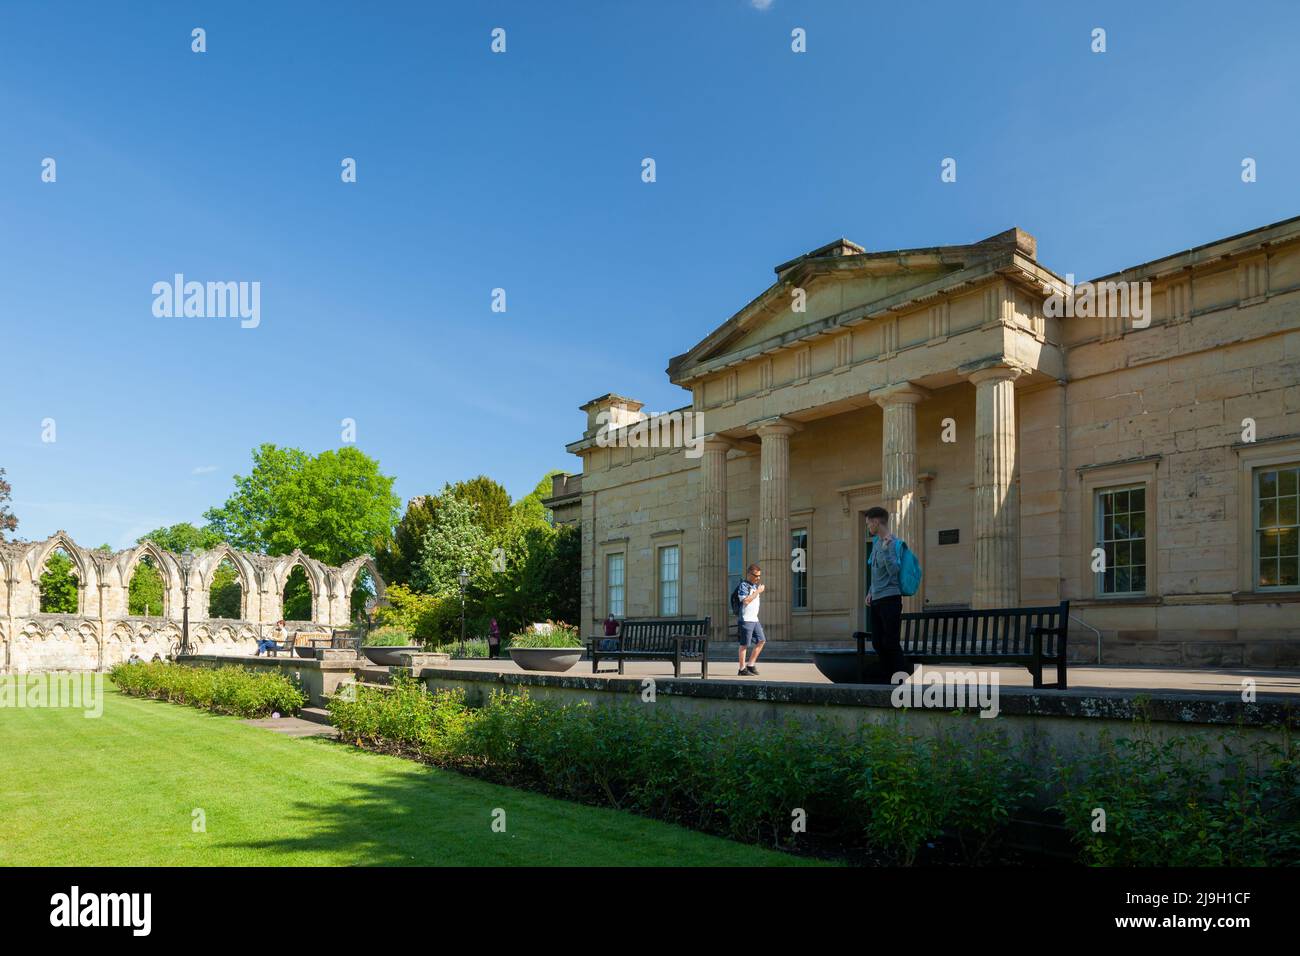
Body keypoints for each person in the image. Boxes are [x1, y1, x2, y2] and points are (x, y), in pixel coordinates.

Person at [864, 506, 911, 683]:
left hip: (890, 599)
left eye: (869, 524)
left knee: (890, 643)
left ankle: (900, 681)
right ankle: (887, 678)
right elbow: (877, 572)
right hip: (877, 599)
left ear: (876, 522)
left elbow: (894, 570)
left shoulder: (891, 542)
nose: (868, 527)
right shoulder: (876, 542)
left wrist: (885, 549)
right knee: (877, 642)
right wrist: (870, 592)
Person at [734, 563, 766, 676]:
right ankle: (742, 669)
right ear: (749, 574)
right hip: (746, 619)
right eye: (756, 575)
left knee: (761, 640)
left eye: (759, 576)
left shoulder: (755, 586)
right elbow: (746, 601)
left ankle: (751, 665)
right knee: (744, 644)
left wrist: (757, 590)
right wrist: (758, 592)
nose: (758, 578)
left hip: (754, 619)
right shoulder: (744, 585)